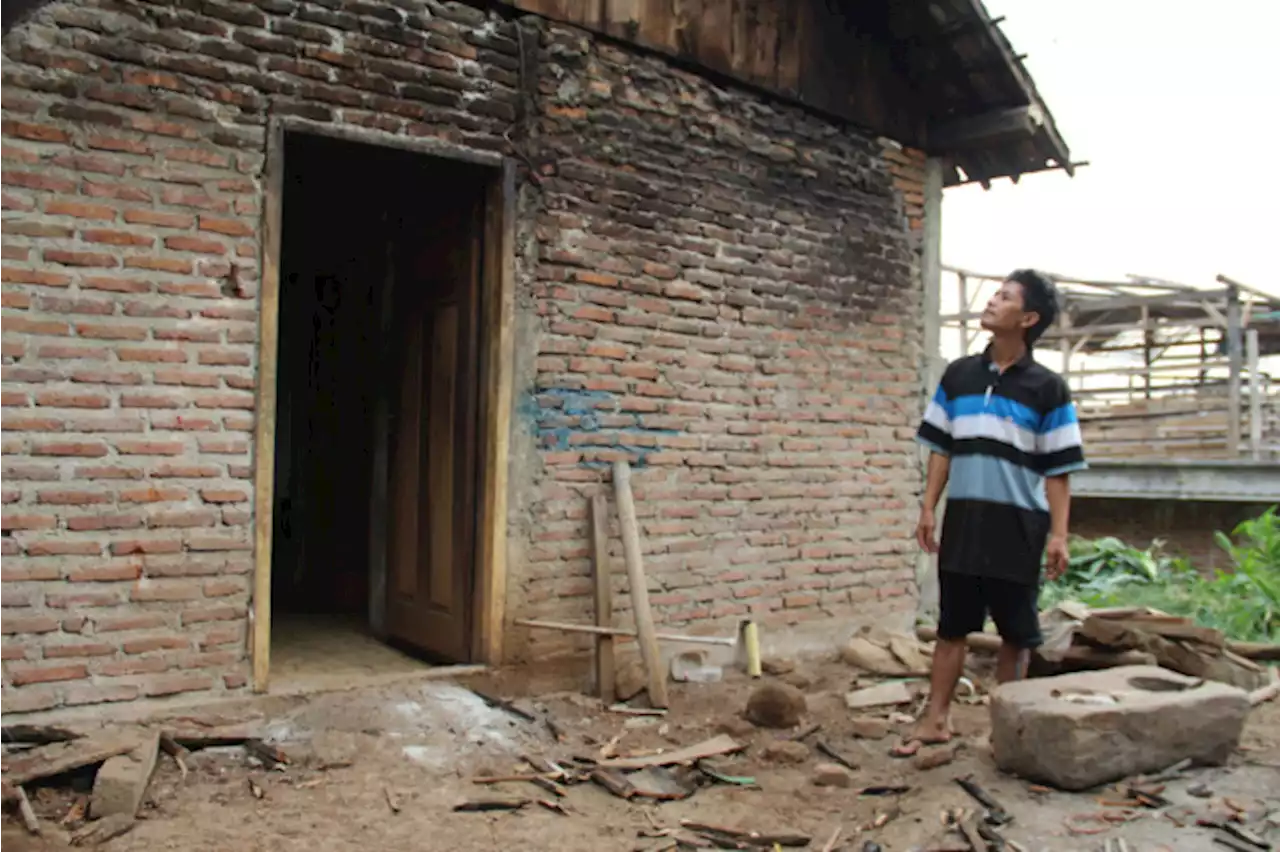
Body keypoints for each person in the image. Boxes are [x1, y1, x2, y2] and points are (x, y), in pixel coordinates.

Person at [892, 268, 1087, 757]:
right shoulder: (960, 375)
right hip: (964, 522)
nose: (992, 301)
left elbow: (1059, 469)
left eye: (1004, 297)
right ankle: (936, 720)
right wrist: (927, 508)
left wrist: (1059, 536)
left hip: (1019, 526)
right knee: (952, 626)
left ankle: (1006, 729)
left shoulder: (1048, 388)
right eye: (995, 294)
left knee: (1016, 634)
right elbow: (940, 447)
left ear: (1028, 318)